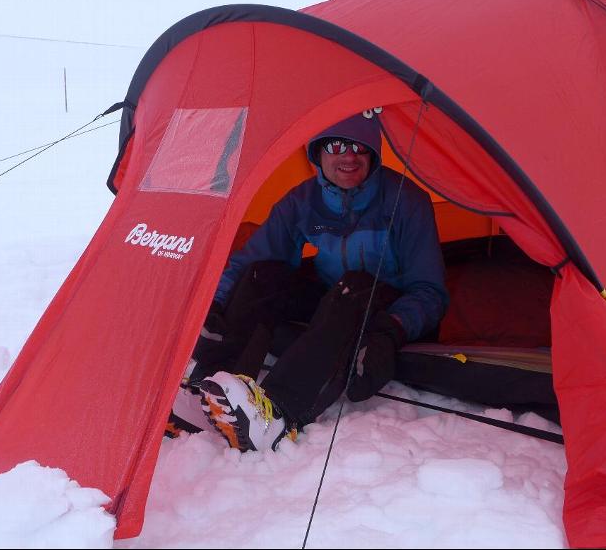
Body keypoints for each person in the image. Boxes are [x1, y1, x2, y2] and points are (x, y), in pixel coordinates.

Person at [175, 110, 448, 452]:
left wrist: (392, 329)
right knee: (264, 274)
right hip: (336, 296)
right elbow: (254, 259)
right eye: (336, 146)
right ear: (317, 153)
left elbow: (430, 291)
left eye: (359, 148)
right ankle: (213, 385)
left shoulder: (406, 200)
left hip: (389, 309)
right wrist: (215, 304)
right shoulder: (303, 201)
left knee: (356, 282)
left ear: (373, 154)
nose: (348, 157)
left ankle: (279, 411)